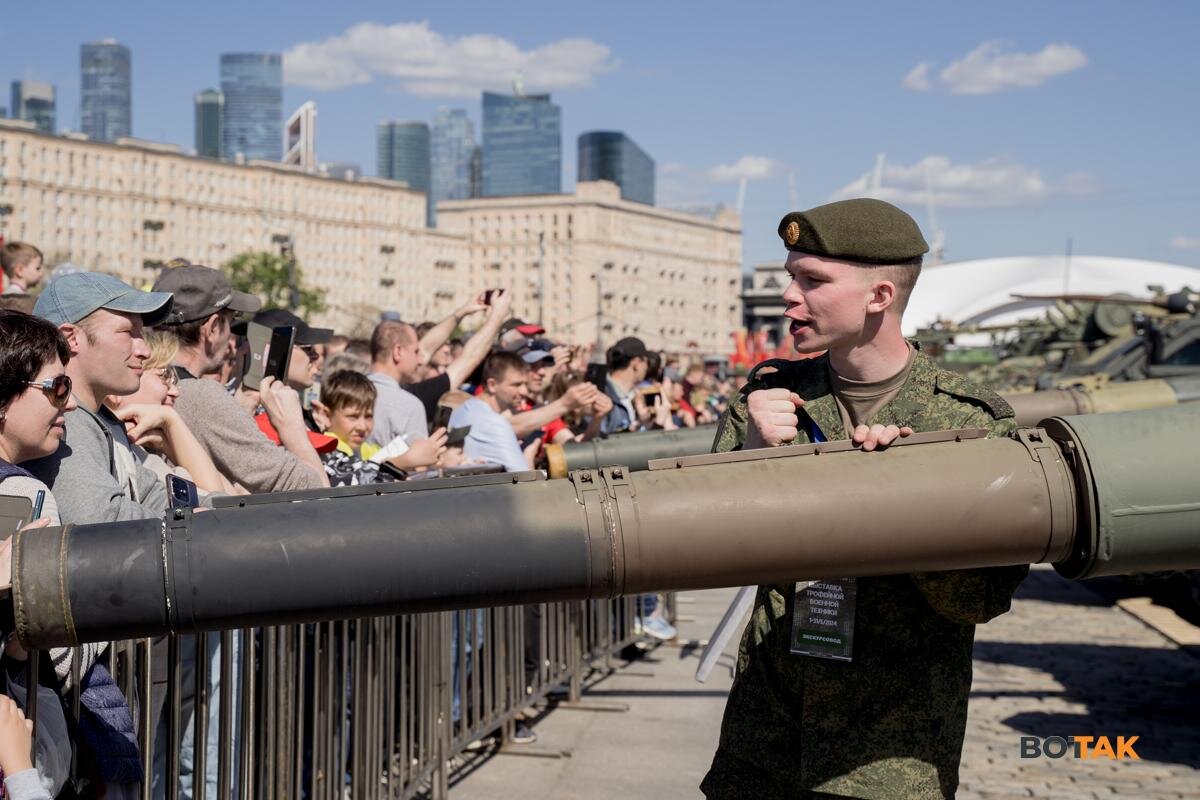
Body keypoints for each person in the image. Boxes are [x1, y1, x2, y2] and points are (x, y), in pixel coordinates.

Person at [700, 199, 1028, 800]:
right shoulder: (771, 399)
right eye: (790, 277)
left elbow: (979, 599)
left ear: (879, 296)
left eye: (813, 281)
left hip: (886, 759)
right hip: (764, 742)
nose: (789, 297)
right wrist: (749, 452)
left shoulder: (966, 424)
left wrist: (909, 498)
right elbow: (703, 548)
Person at [151, 266, 329, 492]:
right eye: (232, 319)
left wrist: (241, 407)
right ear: (213, 328)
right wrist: (292, 427)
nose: (234, 336)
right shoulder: (200, 394)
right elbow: (313, 490)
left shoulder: (144, 385)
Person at [25, 272, 175, 521]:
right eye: (129, 332)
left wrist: (215, 513)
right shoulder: (62, 423)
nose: (144, 350)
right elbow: (101, 522)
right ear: (70, 338)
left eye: (143, 334)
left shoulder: (103, 420)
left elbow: (159, 498)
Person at [317, 369, 447, 486]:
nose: (362, 426)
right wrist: (402, 462)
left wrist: (424, 461)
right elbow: (346, 479)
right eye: (352, 417)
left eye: (368, 416)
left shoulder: (370, 450)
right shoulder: (324, 452)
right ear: (326, 416)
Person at [449, 351, 535, 472]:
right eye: (516, 384)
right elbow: (524, 479)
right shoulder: (493, 422)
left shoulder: (467, 408)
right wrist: (529, 454)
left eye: (525, 384)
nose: (524, 391)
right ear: (492, 385)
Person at [601, 337, 653, 435]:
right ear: (636, 363)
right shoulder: (602, 395)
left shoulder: (632, 396)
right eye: (647, 362)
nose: (647, 367)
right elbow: (600, 441)